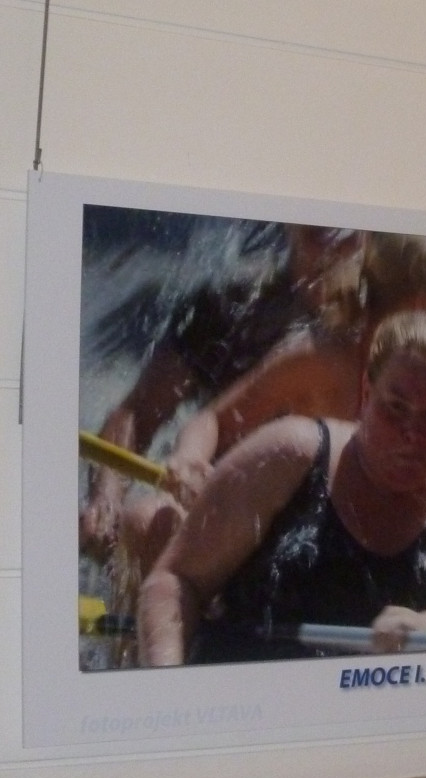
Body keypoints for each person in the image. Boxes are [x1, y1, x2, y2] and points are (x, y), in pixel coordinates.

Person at [121, 233, 426, 572]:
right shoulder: (321, 359)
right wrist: (189, 459)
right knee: (146, 521)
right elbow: (210, 420)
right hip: (268, 522)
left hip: (341, 542)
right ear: (419, 308)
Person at [137, 310, 426, 665]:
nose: (412, 434)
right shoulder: (288, 454)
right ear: (366, 394)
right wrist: (169, 679)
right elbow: (173, 581)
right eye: (396, 407)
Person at [79, 224, 363, 557]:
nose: (329, 227)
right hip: (221, 514)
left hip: (333, 525)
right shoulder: (232, 306)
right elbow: (138, 412)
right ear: (288, 223)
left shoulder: (387, 318)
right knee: (147, 524)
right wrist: (106, 498)